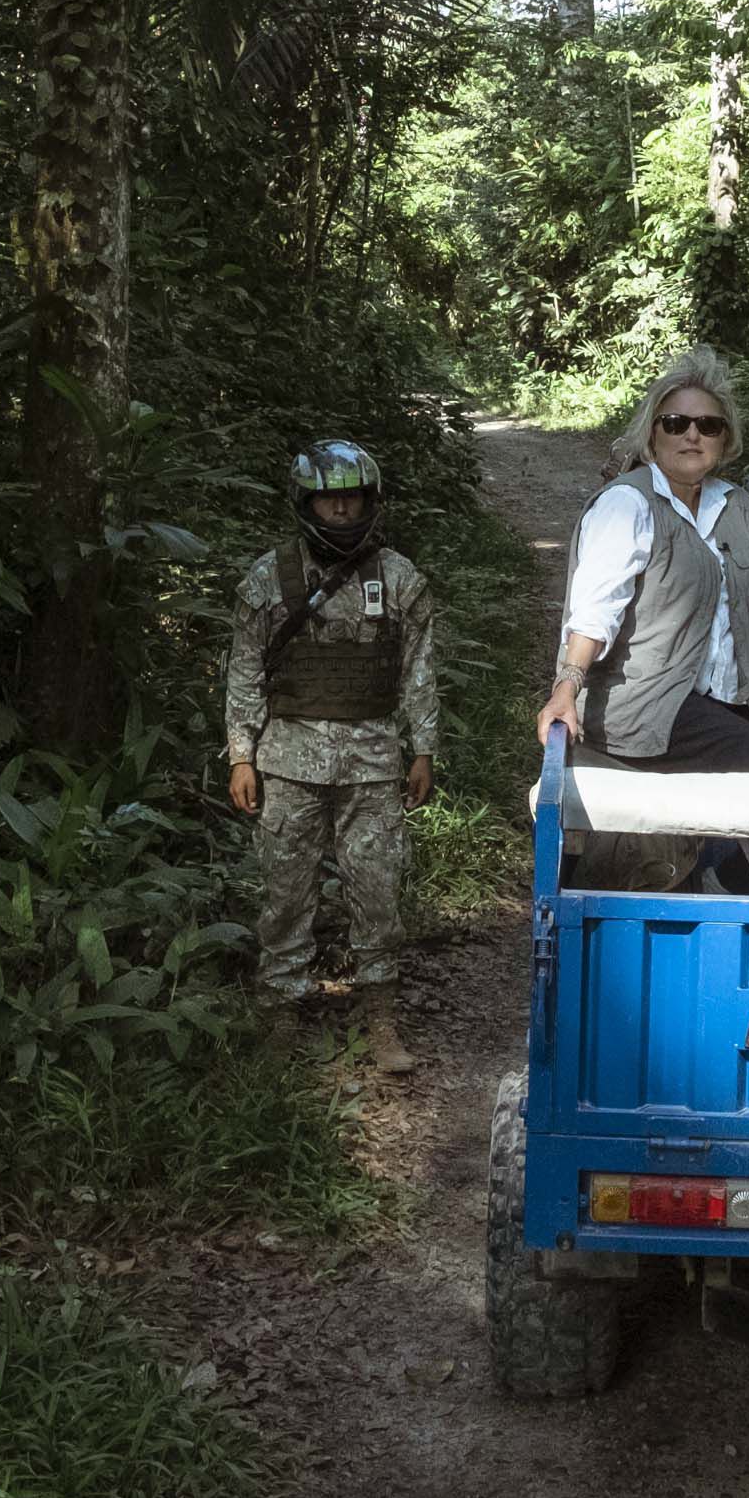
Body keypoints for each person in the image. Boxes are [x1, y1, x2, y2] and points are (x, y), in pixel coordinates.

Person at [537, 349, 749, 892]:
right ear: (653, 433)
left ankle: (732, 883)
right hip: (642, 701)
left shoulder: (732, 504)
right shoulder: (628, 505)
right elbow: (593, 614)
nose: (693, 435)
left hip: (722, 696)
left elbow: (747, 603)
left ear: (724, 439)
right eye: (677, 423)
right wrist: (566, 688)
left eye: (708, 425)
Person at [225, 439, 439, 1073]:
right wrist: (241, 755)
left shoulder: (399, 578)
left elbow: (418, 670)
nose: (342, 510)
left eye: (353, 498)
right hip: (287, 763)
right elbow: (242, 671)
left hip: (373, 763)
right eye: (330, 498)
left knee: (377, 893)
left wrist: (422, 748)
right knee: (285, 895)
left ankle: (380, 1019)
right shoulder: (270, 578)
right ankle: (280, 1015)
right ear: (306, 502)